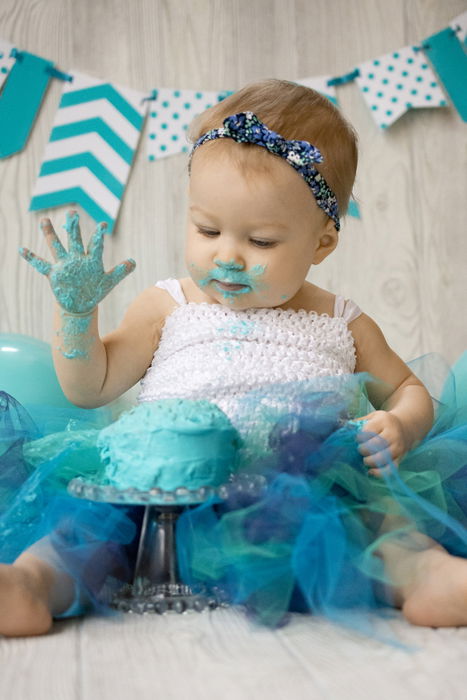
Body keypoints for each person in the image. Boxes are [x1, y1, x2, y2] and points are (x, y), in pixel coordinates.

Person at [1, 79, 466, 637]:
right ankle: (32, 582)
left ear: (322, 241)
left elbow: (411, 389)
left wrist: (401, 424)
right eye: (207, 229)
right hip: (159, 487)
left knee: (379, 517)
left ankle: (426, 574)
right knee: (90, 527)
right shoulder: (167, 304)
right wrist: (77, 318)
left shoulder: (343, 320)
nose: (227, 255)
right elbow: (88, 386)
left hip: (301, 488)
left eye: (262, 242)